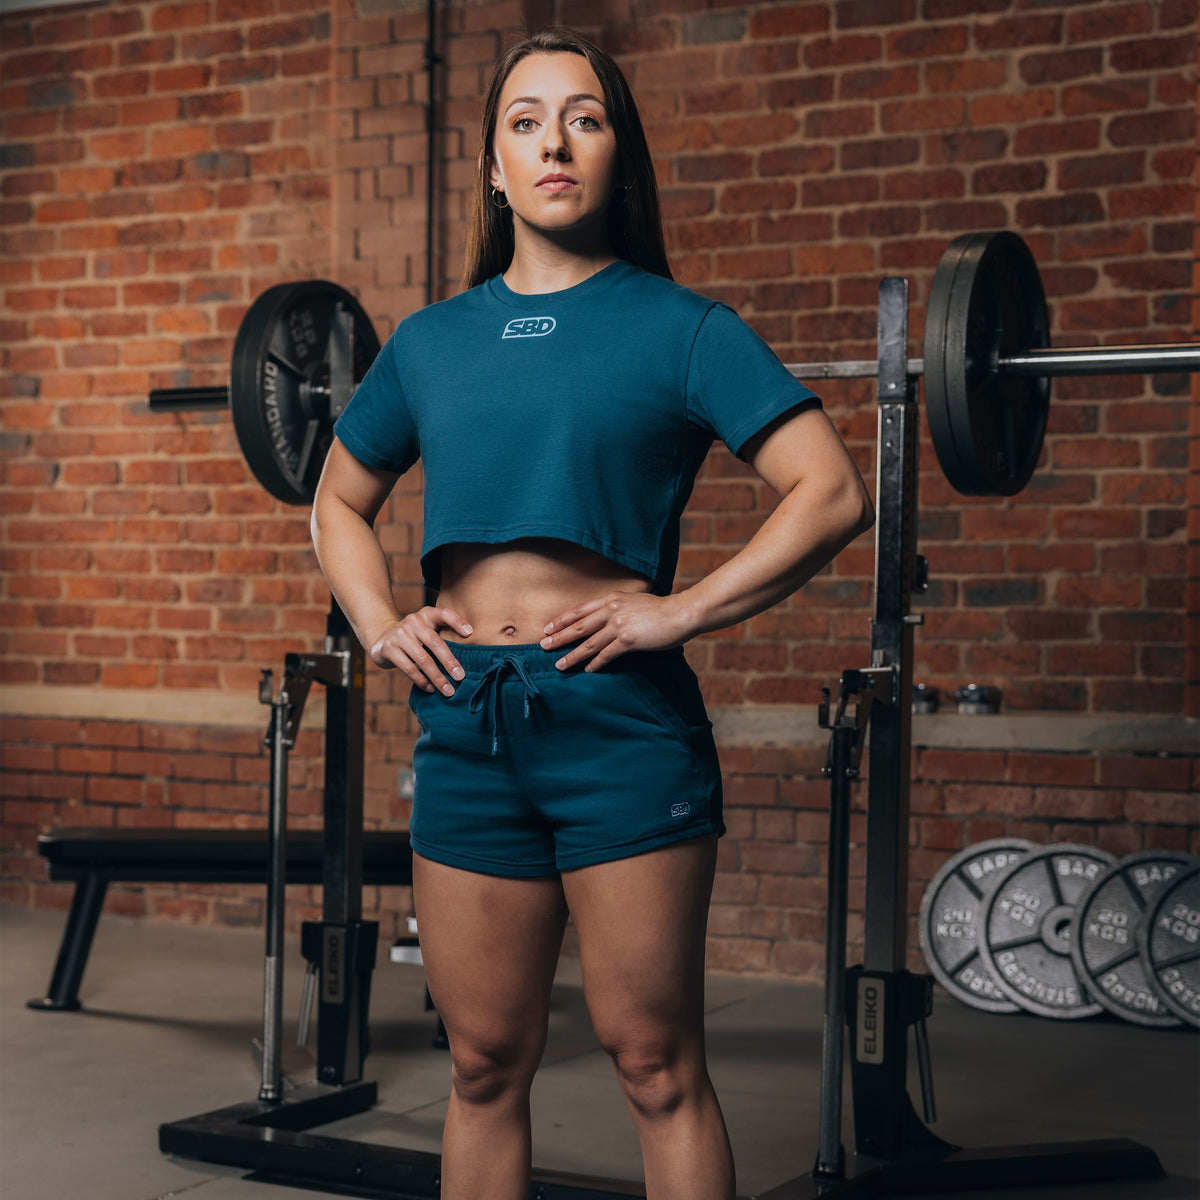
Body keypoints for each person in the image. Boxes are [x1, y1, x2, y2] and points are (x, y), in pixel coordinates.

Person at [311, 27, 874, 1200]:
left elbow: (829, 490)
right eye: (525, 120)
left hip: (620, 725)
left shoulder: (681, 327)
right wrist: (379, 626)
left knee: (657, 1064)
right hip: (467, 725)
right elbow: (338, 503)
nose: (554, 140)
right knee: (480, 1064)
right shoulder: (431, 342)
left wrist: (683, 612)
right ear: (493, 168)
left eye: (585, 116)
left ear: (618, 154)